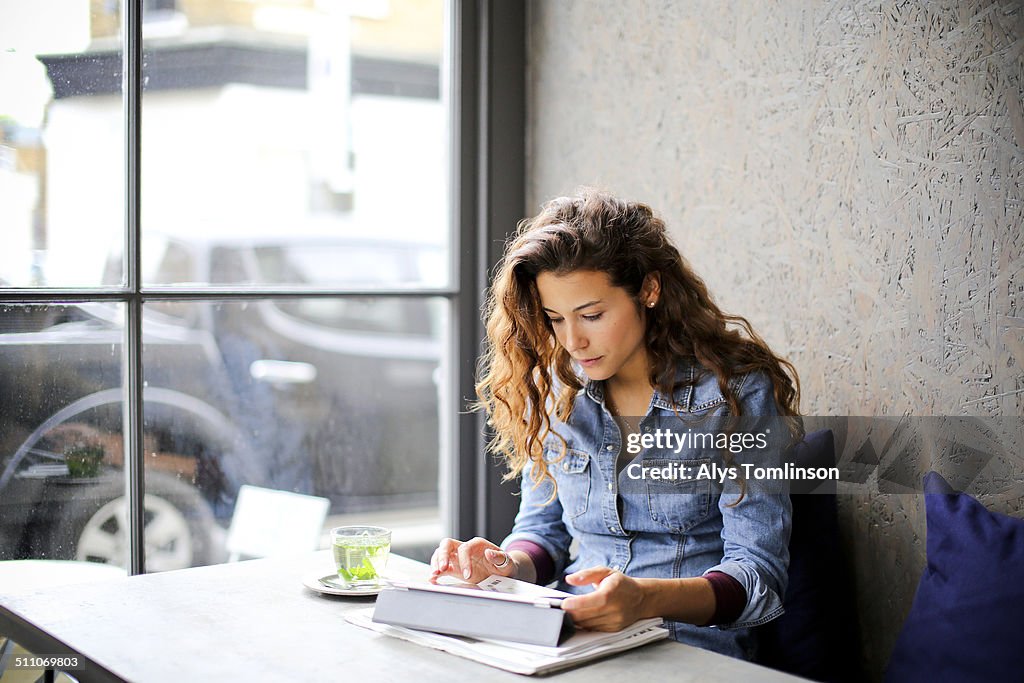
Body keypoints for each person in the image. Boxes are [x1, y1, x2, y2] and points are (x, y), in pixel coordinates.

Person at [430, 189, 801, 660]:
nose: (573, 340)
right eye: (555, 319)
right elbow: (544, 533)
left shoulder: (737, 393)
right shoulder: (556, 391)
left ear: (648, 290)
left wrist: (645, 599)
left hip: (689, 647)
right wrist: (503, 565)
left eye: (592, 315)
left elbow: (758, 577)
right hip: (572, 641)